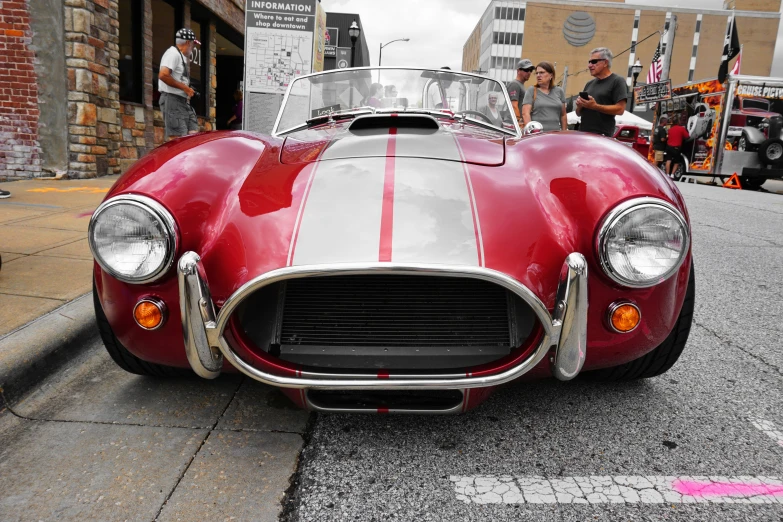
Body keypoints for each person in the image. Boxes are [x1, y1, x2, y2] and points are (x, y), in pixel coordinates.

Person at [158, 28, 200, 140]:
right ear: (187, 42)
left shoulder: (180, 56)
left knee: (192, 136)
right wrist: (185, 88)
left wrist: (188, 89)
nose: (193, 47)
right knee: (178, 141)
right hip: (172, 100)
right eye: (193, 44)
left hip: (182, 101)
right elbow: (163, 75)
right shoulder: (173, 54)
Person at [575, 47, 628, 136]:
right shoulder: (589, 84)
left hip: (602, 136)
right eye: (589, 62)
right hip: (583, 133)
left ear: (605, 63)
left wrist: (595, 106)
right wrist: (580, 105)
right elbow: (578, 113)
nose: (589, 65)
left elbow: (620, 109)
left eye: (594, 62)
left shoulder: (617, 81)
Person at [522, 61, 567, 131]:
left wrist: (564, 133)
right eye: (536, 73)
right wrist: (531, 132)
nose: (538, 75)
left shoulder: (559, 91)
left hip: (556, 136)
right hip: (538, 135)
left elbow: (563, 115)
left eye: (542, 72)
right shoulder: (531, 90)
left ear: (551, 75)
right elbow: (525, 113)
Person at [506, 59, 534, 124]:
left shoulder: (521, 85)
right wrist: (518, 121)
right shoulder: (515, 84)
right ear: (518, 71)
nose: (529, 72)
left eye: (531, 70)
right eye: (526, 70)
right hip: (513, 123)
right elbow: (514, 105)